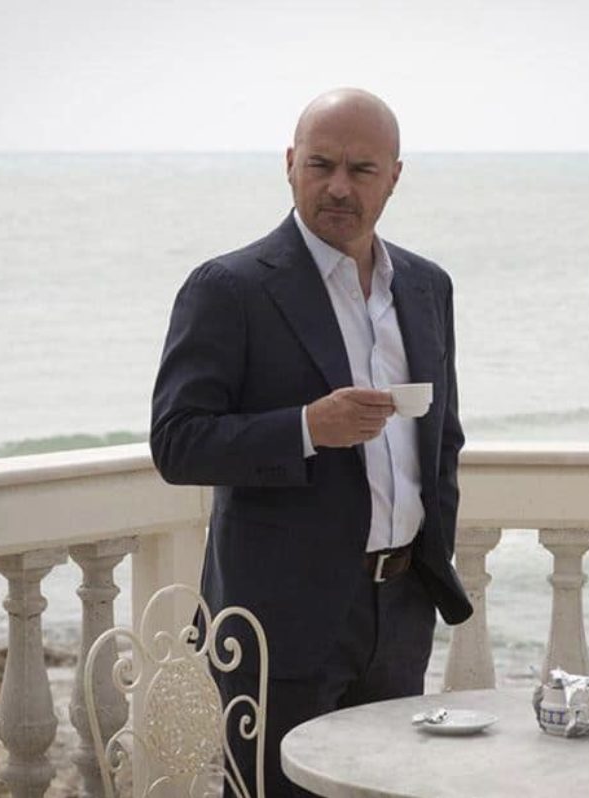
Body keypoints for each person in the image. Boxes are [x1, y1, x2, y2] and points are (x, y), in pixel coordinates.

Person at [150, 87, 472, 797]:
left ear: (394, 177)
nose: (338, 186)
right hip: (277, 624)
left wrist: (427, 567)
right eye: (321, 165)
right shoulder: (228, 287)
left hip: (399, 613)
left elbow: (441, 441)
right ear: (290, 164)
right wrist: (306, 428)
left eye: (362, 169)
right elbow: (176, 442)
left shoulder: (427, 286)